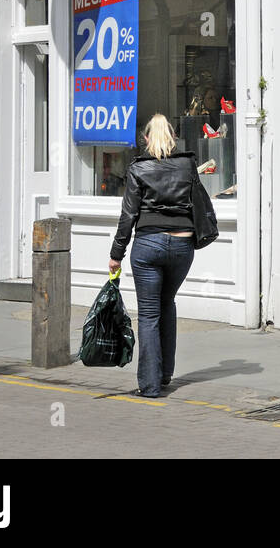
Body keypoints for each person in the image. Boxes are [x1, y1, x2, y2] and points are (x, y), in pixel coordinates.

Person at [108, 114, 215, 397]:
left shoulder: (138, 168)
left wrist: (116, 253)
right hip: (182, 246)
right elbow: (197, 201)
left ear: (145, 138)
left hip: (147, 246)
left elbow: (128, 214)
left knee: (149, 314)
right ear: (172, 137)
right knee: (167, 304)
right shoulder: (187, 164)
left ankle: (150, 385)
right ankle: (166, 373)